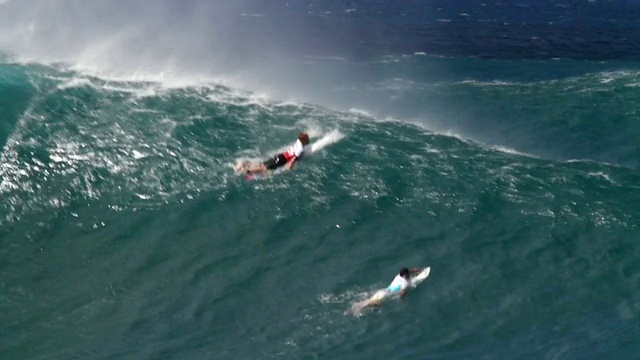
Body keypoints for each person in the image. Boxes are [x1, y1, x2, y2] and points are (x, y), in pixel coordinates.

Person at [347, 267, 423, 315]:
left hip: (382, 292)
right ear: (405, 275)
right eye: (407, 274)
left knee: (369, 301)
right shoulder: (405, 283)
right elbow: (403, 292)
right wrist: (403, 297)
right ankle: (356, 310)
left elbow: (410, 271)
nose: (408, 275)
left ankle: (351, 309)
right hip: (384, 296)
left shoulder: (398, 276)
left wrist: (417, 270)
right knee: (372, 305)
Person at [241, 132, 310, 175]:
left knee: (263, 164)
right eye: (307, 139)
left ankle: (246, 164)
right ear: (303, 140)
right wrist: (288, 169)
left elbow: (302, 136)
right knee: (264, 168)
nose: (308, 140)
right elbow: (293, 160)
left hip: (280, 156)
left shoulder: (298, 141)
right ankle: (247, 171)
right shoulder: (300, 149)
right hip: (282, 160)